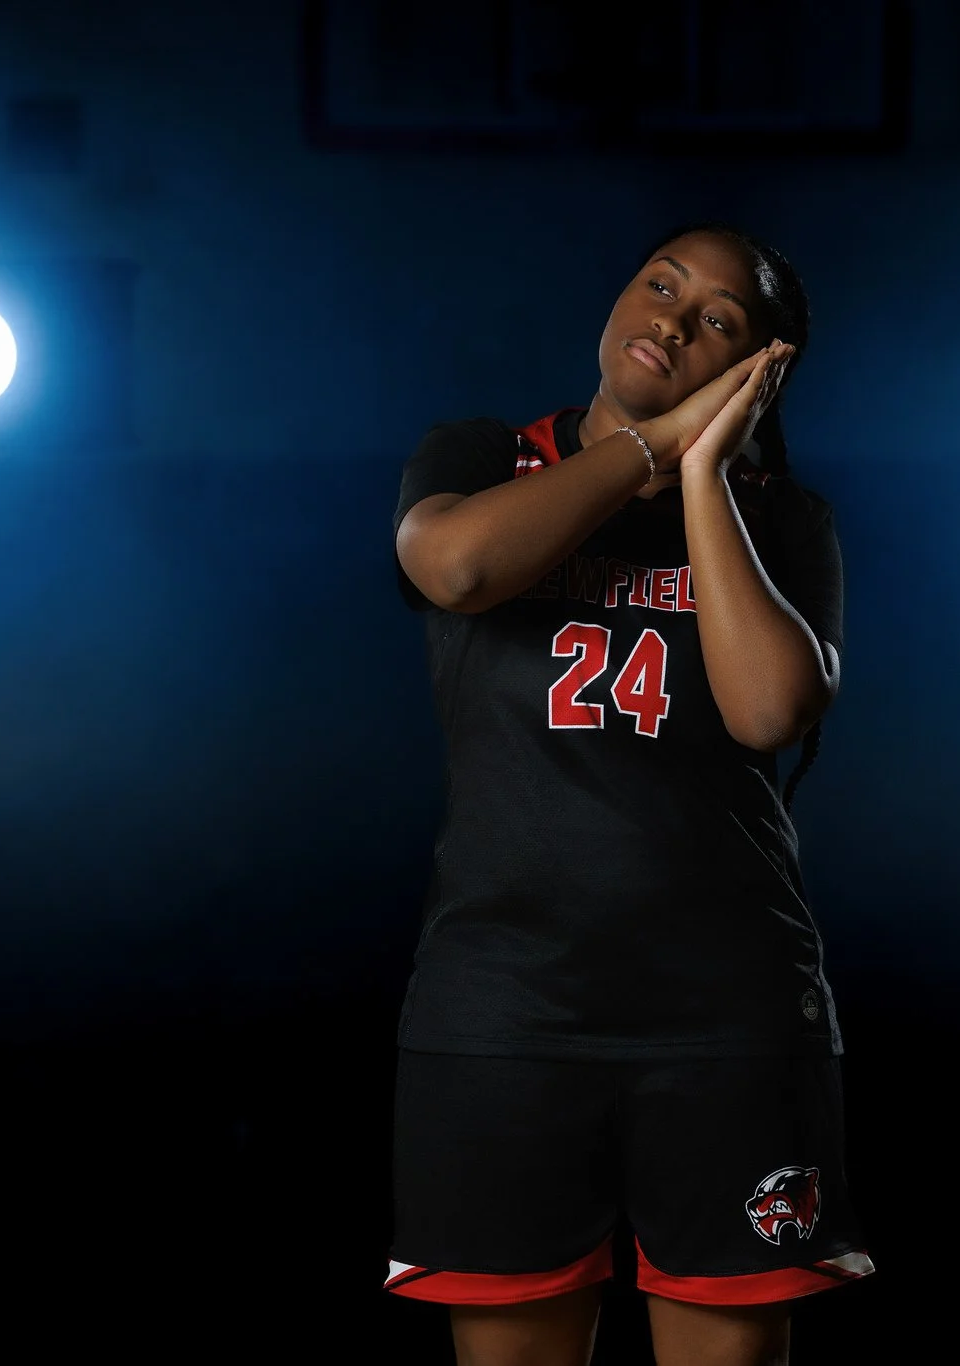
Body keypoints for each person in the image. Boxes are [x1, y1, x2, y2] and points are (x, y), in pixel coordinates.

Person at [385, 220, 872, 1366]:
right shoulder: (476, 454)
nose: (669, 318)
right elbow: (455, 569)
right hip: (502, 1010)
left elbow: (768, 710)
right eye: (659, 285)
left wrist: (702, 468)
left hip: (726, 1018)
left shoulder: (785, 521)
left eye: (717, 320)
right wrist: (649, 451)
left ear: (762, 371)